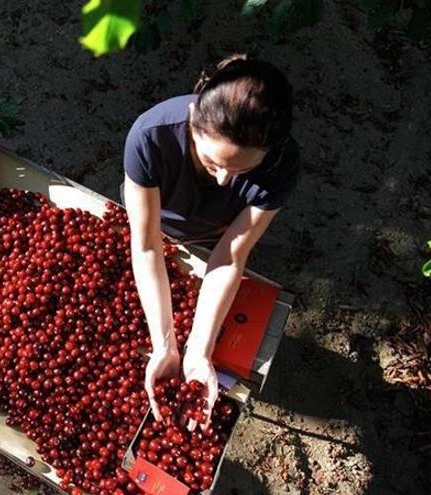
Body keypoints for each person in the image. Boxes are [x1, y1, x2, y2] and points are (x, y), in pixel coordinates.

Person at [122, 54, 300, 430]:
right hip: (159, 218)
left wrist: (198, 352)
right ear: (192, 120)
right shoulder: (150, 136)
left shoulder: (283, 165)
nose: (223, 181)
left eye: (242, 170)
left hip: (216, 231)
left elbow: (231, 256)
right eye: (212, 162)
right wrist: (164, 345)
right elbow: (148, 245)